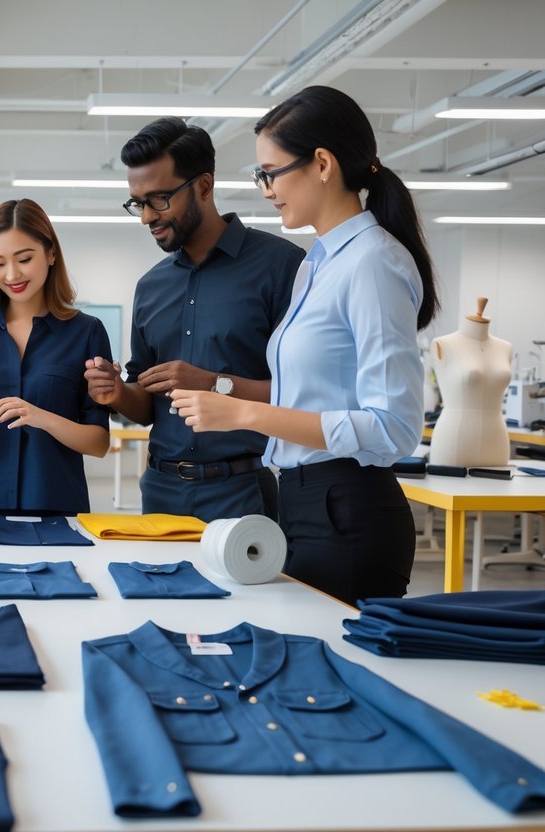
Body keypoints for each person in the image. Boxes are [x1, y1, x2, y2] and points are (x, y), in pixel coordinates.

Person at [171, 85, 440, 605]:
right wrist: (228, 397)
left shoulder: (372, 263)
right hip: (300, 503)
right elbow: (308, 395)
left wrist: (242, 415)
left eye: (270, 173)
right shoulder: (317, 264)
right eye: (260, 176)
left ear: (321, 163)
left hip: (349, 511)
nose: (266, 189)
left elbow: (394, 428)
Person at [84, 118, 303, 522]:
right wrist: (115, 392)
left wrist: (211, 383)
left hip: (242, 491)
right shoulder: (150, 287)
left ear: (204, 186)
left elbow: (305, 394)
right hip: (160, 491)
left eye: (160, 199)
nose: (146, 217)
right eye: (138, 202)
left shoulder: (282, 267)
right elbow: (148, 405)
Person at [0, 198, 110, 516]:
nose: (12, 274)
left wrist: (40, 417)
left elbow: (99, 443)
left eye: (24, 258)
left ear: (51, 253)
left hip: (56, 504)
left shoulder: (87, 332)